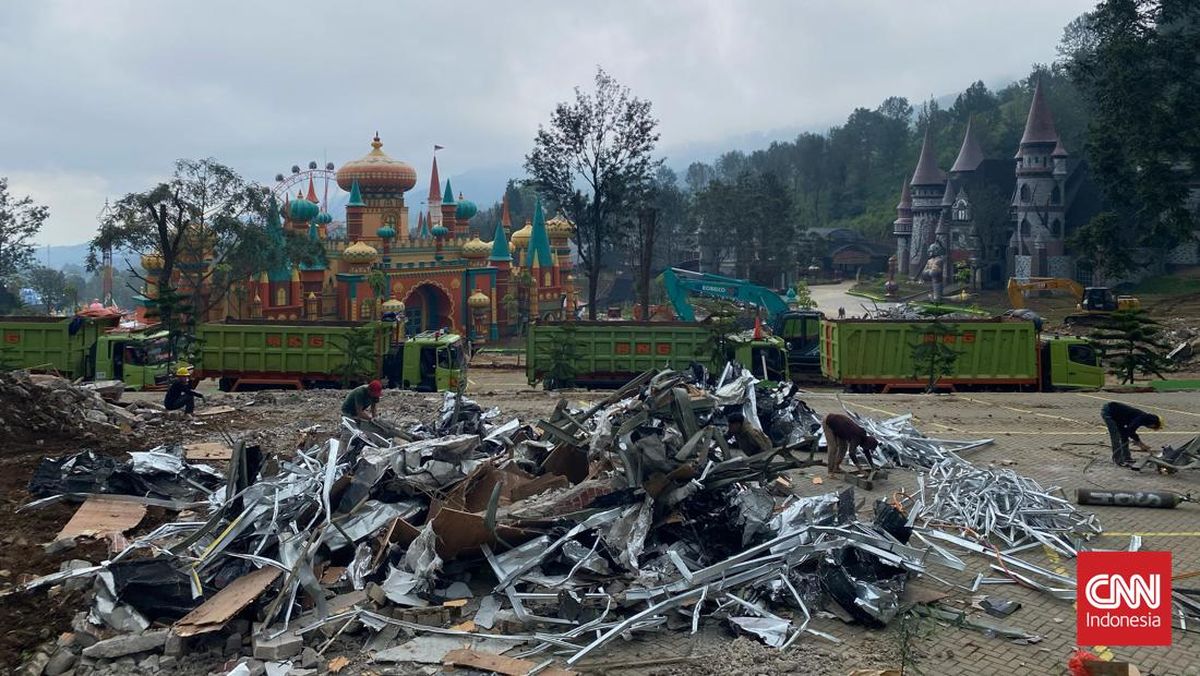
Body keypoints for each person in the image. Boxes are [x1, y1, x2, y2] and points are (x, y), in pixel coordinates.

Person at [1100, 401, 1163, 469]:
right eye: (1154, 427)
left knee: (1123, 436)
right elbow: (1130, 430)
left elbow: (1129, 431)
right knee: (1116, 436)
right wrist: (1140, 444)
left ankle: (1127, 458)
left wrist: (1139, 443)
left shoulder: (1143, 418)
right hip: (1109, 412)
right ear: (1153, 423)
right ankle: (1118, 460)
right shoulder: (1141, 418)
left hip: (1119, 417)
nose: (1152, 428)